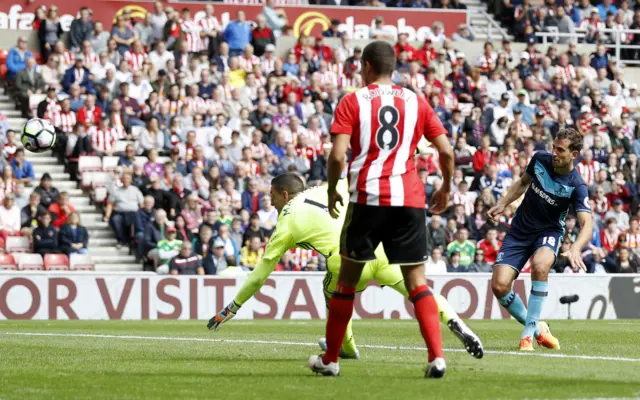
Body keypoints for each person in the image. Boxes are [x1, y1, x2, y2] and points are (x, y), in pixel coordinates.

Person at [207, 175, 482, 369]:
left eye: (272, 195)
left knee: (334, 293)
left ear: (285, 195)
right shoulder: (330, 186)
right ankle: (455, 320)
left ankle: (345, 348)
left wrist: (231, 308)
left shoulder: (286, 221)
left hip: (346, 259)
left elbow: (259, 276)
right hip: (379, 247)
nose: (271, 201)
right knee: (419, 290)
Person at [312, 40, 454, 378]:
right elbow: (446, 152)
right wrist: (446, 188)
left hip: (367, 199)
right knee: (417, 283)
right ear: (394, 68)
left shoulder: (352, 101)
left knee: (346, 283)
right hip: (409, 200)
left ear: (365, 66)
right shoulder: (416, 102)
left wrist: (333, 189)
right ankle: (437, 357)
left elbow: (336, 156)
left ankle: (331, 360)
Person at [488, 128, 593, 352]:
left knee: (540, 265)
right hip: (520, 230)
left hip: (549, 231)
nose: (554, 153)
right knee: (499, 285)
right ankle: (538, 328)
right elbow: (522, 182)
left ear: (574, 154)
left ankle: (527, 335)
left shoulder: (577, 186)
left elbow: (587, 223)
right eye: (554, 147)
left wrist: (575, 247)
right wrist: (503, 203)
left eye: (561, 150)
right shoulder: (539, 160)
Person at [104, 173, 144, 248]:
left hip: (133, 213)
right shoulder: (116, 191)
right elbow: (110, 204)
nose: (126, 180)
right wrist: (107, 216)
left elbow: (141, 204)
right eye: (124, 178)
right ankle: (121, 240)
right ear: (121, 180)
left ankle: (131, 241)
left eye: (128, 178)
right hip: (120, 213)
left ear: (131, 180)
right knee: (115, 220)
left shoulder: (135, 190)